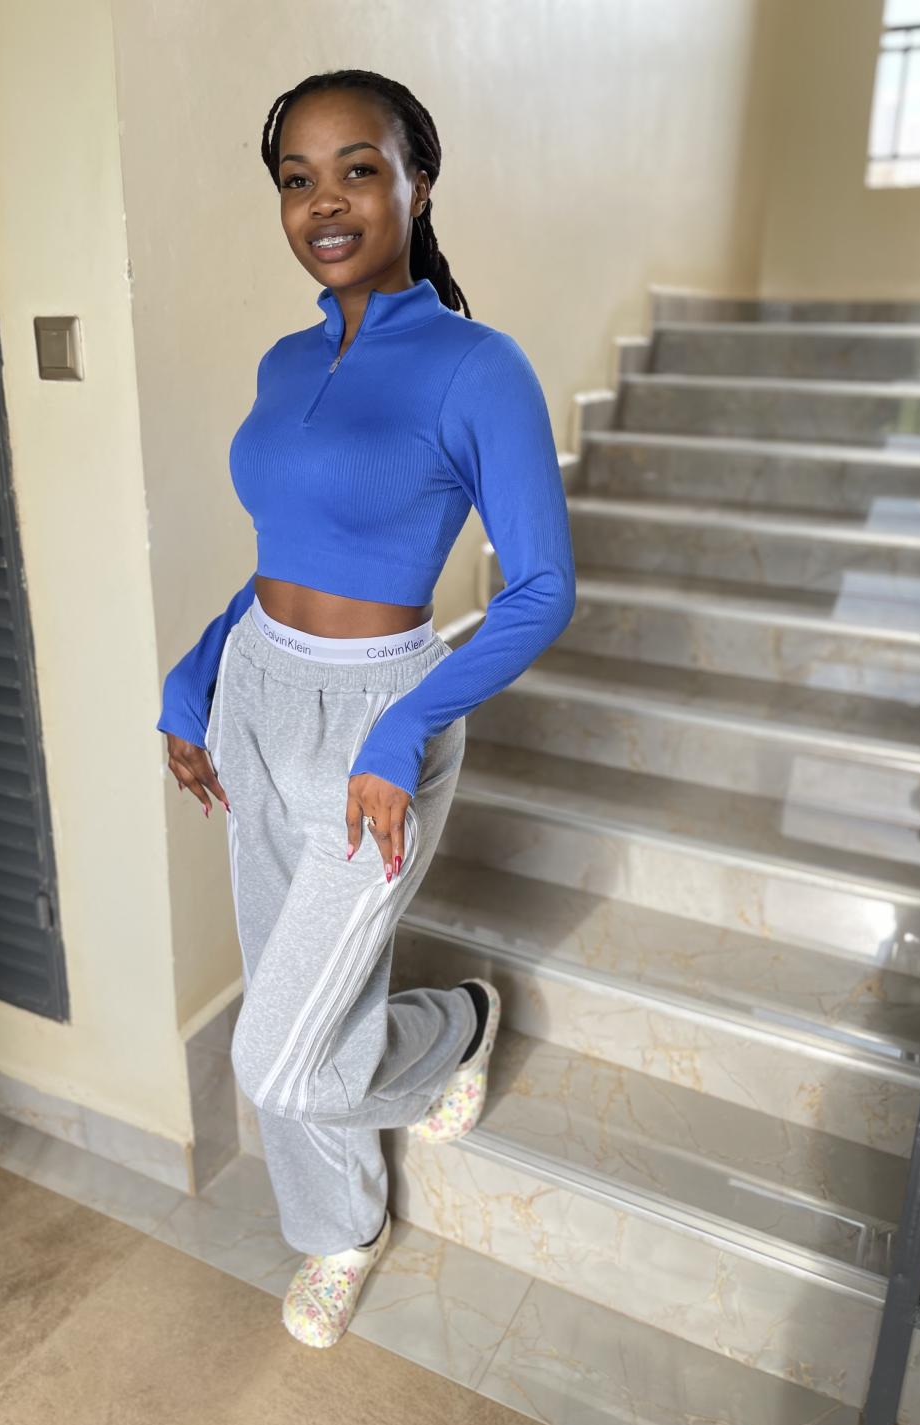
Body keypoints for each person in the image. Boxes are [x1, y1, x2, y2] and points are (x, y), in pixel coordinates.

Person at [156, 67, 577, 1349]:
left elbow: (541, 589)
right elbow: (286, 557)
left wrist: (404, 729)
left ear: (416, 183)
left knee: (279, 1050)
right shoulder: (284, 362)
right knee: (290, 982)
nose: (325, 202)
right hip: (255, 693)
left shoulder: (477, 367)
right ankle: (339, 1228)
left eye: (357, 169)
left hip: (380, 715)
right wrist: (196, 671)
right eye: (298, 178)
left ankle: (454, 1025)